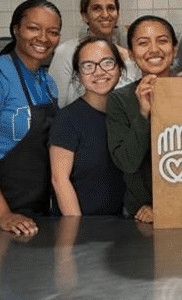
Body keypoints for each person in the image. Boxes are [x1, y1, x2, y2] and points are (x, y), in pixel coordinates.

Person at [0, 0, 62, 235]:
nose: (43, 38)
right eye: (33, 28)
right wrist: (3, 215)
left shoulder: (48, 83)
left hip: (39, 213)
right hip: (0, 217)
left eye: (53, 32)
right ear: (16, 29)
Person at [107, 15, 178, 224]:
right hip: (140, 214)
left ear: (175, 50)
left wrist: (165, 207)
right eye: (143, 43)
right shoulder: (120, 100)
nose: (154, 49)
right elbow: (127, 163)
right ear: (130, 53)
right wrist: (143, 114)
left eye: (162, 41)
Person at [49, 36, 127, 216]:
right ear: (78, 75)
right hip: (82, 228)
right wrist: (77, 229)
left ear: (120, 68)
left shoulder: (126, 114)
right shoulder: (68, 119)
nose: (99, 72)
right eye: (88, 66)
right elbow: (59, 180)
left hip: (120, 227)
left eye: (107, 63)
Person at [49, 0, 141, 108]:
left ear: (117, 13)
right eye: (97, 8)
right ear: (85, 15)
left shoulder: (129, 58)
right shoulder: (66, 52)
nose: (105, 14)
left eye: (111, 8)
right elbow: (55, 104)